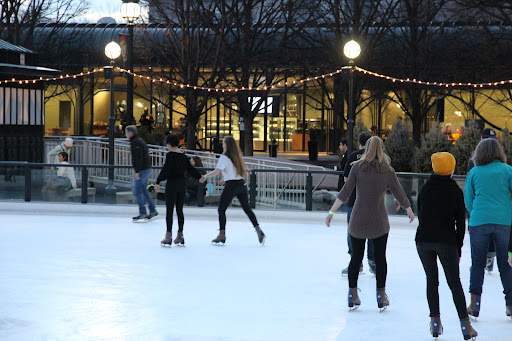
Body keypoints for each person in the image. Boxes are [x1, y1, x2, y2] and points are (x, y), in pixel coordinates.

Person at [325, 136, 414, 311]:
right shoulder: (387, 170)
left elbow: (345, 192)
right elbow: (399, 191)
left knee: (355, 258)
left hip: (358, 219)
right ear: (381, 149)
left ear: (366, 148)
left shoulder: (357, 167)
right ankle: (381, 296)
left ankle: (352, 294)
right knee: (380, 258)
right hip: (379, 221)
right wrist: (408, 209)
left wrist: (331, 212)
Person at [416, 152, 477, 339]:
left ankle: (435, 322)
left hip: (424, 241)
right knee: (454, 283)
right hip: (446, 242)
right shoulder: (455, 191)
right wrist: (458, 247)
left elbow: (421, 214)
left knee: (431, 281)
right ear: (451, 169)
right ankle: (465, 326)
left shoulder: (425, 189)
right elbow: (460, 222)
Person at [464, 138, 512, 319]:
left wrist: (477, 212)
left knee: (477, 264)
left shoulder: (474, 172)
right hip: (504, 221)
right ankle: (510, 305)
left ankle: (474, 305)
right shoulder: (508, 171)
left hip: (479, 221)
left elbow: (469, 200)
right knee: (506, 264)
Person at [200, 136, 265, 245]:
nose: (222, 145)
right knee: (247, 209)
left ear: (227, 145)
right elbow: (233, 172)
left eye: (223, 143)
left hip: (231, 186)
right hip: (241, 184)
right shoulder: (237, 157)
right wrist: (225, 178)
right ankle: (258, 229)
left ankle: (222, 234)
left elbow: (217, 171)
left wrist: (205, 176)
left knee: (221, 209)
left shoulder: (224, 157)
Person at [155, 134, 205, 247]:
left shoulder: (170, 155)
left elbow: (166, 170)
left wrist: (158, 182)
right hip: (182, 185)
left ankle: (168, 236)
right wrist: (200, 177)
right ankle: (180, 235)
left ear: (169, 144)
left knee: (169, 210)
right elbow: (191, 169)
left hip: (172, 184)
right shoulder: (183, 156)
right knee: (179, 210)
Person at [341, 131, 375, 276]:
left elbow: (346, 180)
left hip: (354, 201)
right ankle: (373, 261)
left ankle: (356, 261)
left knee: (352, 231)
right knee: (374, 231)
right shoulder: (376, 157)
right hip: (373, 202)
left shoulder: (353, 156)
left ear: (359, 143)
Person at [468, 127, 498, 273]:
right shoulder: (474, 159)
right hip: (480, 202)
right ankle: (482, 258)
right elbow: (470, 183)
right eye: (486, 139)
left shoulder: (499, 160)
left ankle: (489, 256)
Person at [126, 125, 158, 222]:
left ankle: (143, 212)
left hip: (143, 170)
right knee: (143, 190)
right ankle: (152, 210)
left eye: (126, 132)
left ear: (131, 133)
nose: (126, 135)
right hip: (145, 169)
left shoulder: (136, 142)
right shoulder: (137, 141)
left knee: (137, 191)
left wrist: (137, 171)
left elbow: (139, 157)